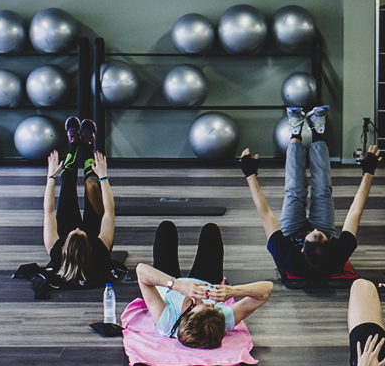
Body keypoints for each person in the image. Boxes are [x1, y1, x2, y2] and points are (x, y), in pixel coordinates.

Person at [240, 106, 380, 278]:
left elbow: (265, 214)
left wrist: (250, 174)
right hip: (322, 230)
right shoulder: (338, 255)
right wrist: (369, 172)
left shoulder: (287, 257)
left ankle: (296, 131)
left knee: (295, 191)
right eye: (319, 235)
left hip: (291, 232)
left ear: (301, 249)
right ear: (330, 244)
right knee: (323, 191)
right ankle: (317, 129)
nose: (313, 230)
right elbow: (355, 211)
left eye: (311, 236)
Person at [134, 220, 273, 349]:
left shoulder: (167, 321)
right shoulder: (220, 320)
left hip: (167, 284)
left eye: (206, 306)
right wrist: (234, 291)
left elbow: (141, 271)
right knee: (211, 231)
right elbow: (266, 290)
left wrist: (177, 285)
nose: (212, 304)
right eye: (214, 308)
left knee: (166, 228)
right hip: (205, 281)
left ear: (186, 316)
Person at [42, 117, 116, 288]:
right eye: (80, 232)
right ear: (90, 246)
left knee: (67, 186)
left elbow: (49, 211)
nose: (77, 228)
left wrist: (51, 177)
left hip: (73, 243)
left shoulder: (56, 250)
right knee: (92, 183)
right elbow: (109, 211)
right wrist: (103, 177)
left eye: (72, 233)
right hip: (95, 232)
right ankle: (88, 147)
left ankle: (74, 145)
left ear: (65, 246)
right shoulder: (99, 249)